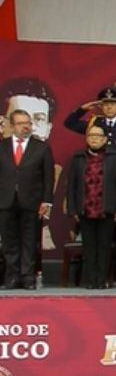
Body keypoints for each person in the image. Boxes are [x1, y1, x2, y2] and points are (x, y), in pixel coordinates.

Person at [64, 87, 116, 260]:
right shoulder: (94, 124)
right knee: (94, 222)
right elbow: (69, 123)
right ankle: (95, 258)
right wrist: (83, 109)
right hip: (95, 182)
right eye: (105, 104)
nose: (109, 108)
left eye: (112, 104)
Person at [65, 125, 116, 289]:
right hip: (85, 209)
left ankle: (102, 280)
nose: (94, 138)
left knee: (104, 246)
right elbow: (71, 185)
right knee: (89, 247)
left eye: (98, 136)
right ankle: (91, 280)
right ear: (86, 138)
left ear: (104, 139)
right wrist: (73, 209)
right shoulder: (78, 158)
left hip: (106, 208)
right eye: (91, 135)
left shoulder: (114, 157)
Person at [0, 110, 54, 290]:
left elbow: (48, 176)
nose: (26, 126)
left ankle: (28, 277)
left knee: (30, 241)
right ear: (12, 126)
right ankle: (12, 277)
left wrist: (47, 201)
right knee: (9, 241)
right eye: (21, 123)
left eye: (28, 123)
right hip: (6, 200)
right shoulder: (2, 146)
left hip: (32, 201)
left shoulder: (41, 147)